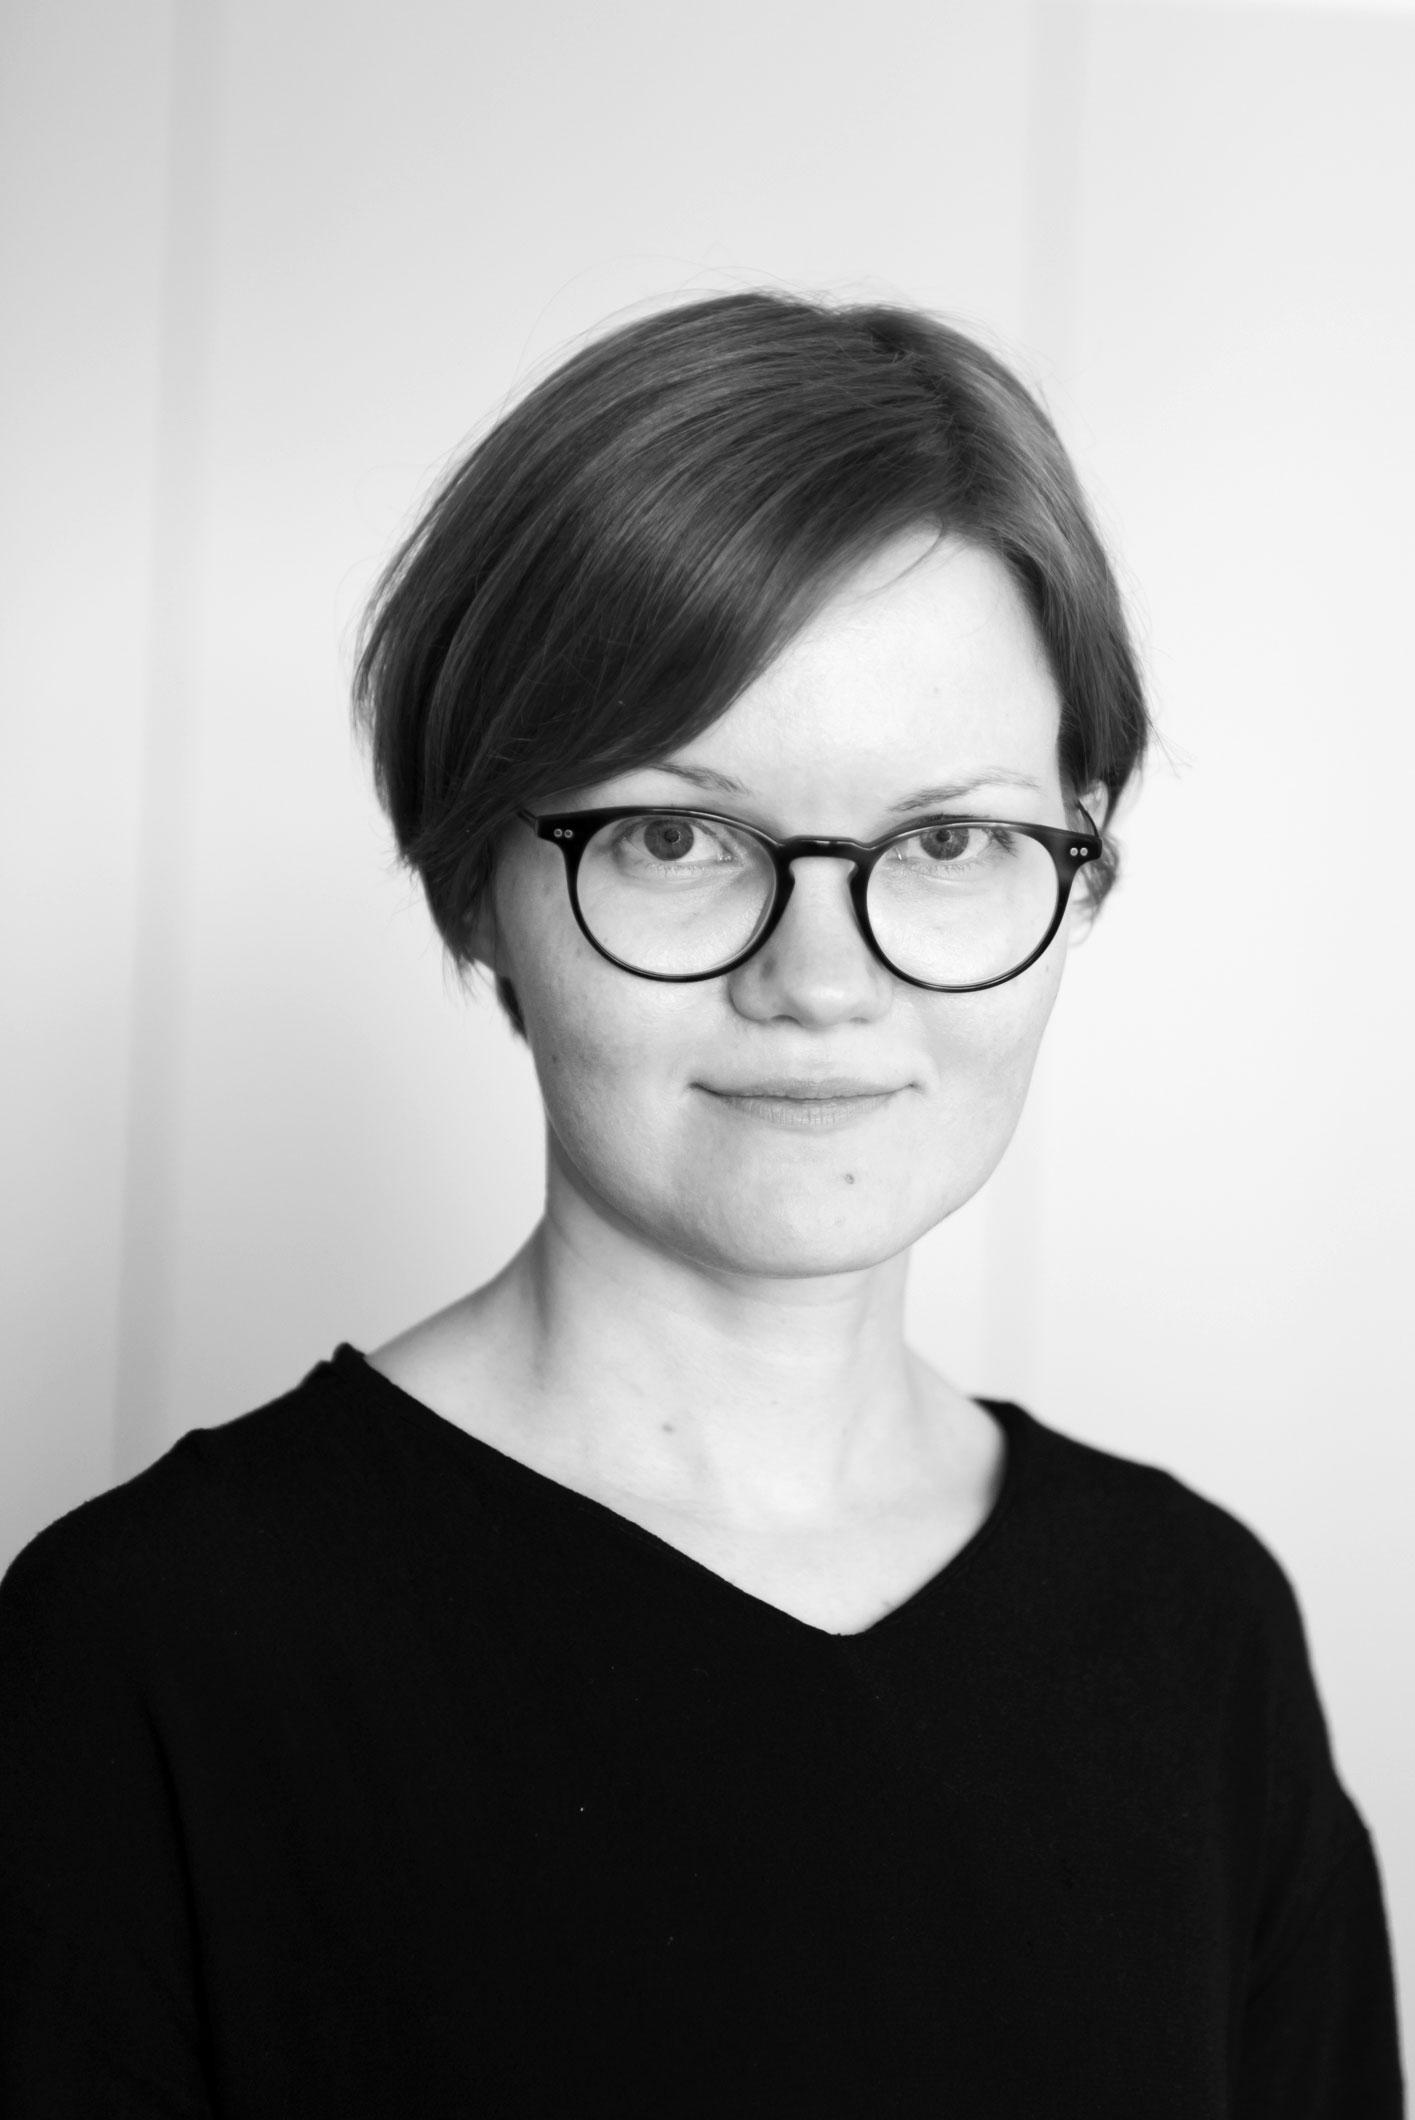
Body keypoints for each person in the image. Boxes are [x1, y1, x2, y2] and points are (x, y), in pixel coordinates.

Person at [0, 290, 1403, 2117]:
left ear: (1079, 872)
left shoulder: (1196, 1635)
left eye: (955, 839)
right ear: (477, 879)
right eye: (677, 835)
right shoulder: (150, 1657)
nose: (822, 979)